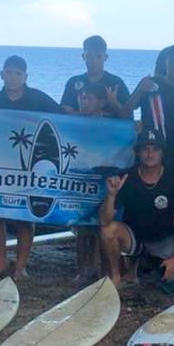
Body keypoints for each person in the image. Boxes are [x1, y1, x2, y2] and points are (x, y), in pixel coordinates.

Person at [0, 55, 62, 281]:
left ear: (25, 76)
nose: (13, 77)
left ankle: (20, 266)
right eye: (9, 72)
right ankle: (0, 263)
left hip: (30, 167)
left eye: (18, 73)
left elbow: (64, 119)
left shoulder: (38, 98)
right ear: (2, 75)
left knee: (25, 215)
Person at [98, 129, 174, 287]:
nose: (150, 154)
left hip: (163, 239)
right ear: (138, 153)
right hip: (134, 237)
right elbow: (104, 220)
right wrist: (111, 195)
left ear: (163, 153)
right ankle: (116, 275)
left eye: (155, 149)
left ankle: (144, 268)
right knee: (108, 231)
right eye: (145, 149)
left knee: (168, 285)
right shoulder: (126, 177)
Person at [122, 49, 174, 174]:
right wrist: (140, 91)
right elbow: (125, 112)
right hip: (147, 149)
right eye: (173, 62)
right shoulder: (151, 84)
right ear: (166, 63)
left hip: (172, 151)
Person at [73, 82, 108, 283]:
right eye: (82, 98)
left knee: (99, 227)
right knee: (82, 229)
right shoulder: (74, 122)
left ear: (101, 102)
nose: (84, 102)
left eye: (89, 98)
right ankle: (82, 270)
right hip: (80, 180)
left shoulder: (111, 123)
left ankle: (99, 269)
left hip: (102, 181)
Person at [60, 35, 130, 116]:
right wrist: (88, 115)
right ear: (83, 57)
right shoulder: (73, 82)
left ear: (105, 57)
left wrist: (113, 103)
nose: (94, 61)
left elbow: (128, 117)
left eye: (98, 56)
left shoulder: (116, 83)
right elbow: (65, 113)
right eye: (89, 56)